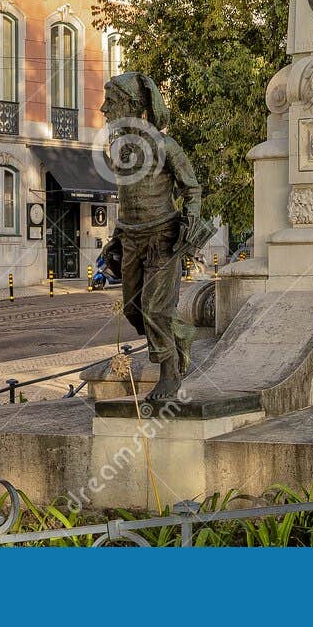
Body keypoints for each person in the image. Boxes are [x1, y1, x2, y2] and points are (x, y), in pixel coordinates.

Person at [98, 71, 208, 403]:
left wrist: (191, 223)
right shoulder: (120, 149)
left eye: (111, 102)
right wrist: (116, 237)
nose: (104, 109)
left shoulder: (165, 146)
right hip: (131, 237)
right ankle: (182, 333)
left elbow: (193, 189)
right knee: (133, 309)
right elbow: (127, 199)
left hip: (163, 236)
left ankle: (169, 374)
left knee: (155, 308)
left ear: (131, 106)